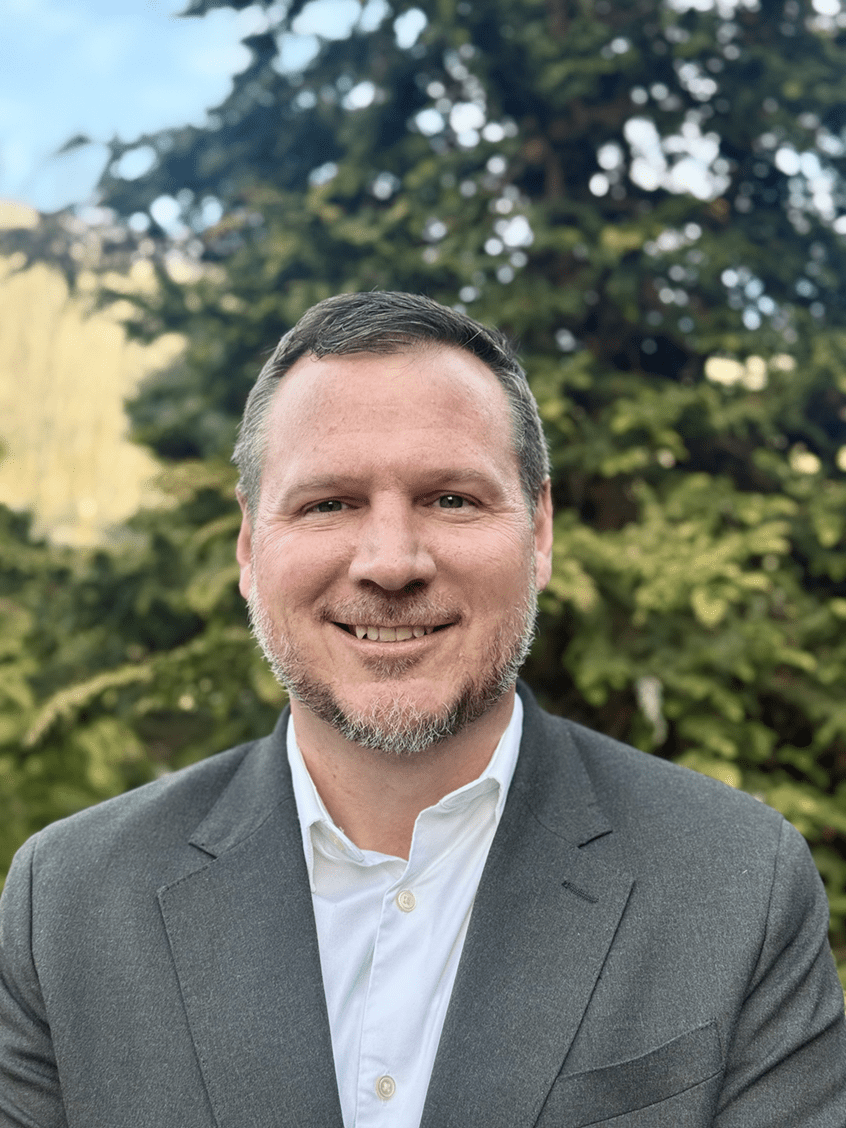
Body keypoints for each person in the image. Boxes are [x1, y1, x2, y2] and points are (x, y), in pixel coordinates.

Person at [1, 291, 844, 1128]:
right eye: (329, 502)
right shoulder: (68, 905)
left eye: (451, 499)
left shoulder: (737, 887)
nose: (392, 562)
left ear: (540, 532)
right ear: (251, 546)